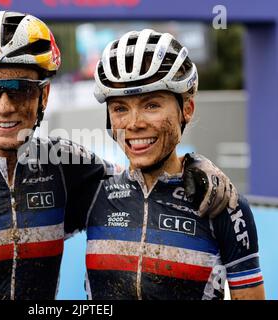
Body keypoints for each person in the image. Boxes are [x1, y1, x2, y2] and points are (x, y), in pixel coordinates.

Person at [0, 11, 235, 300]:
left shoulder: (67, 167)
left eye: (20, 89)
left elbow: (141, 179)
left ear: (44, 96)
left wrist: (198, 165)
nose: (4, 107)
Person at [84, 29, 265, 300]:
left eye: (152, 105)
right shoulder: (92, 192)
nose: (134, 124)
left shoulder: (223, 204)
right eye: (120, 108)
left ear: (187, 109)